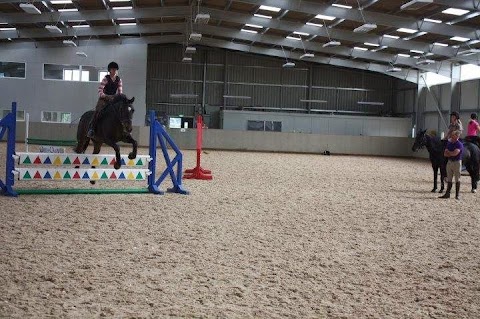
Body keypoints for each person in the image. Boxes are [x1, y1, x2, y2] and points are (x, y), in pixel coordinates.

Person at [87, 61, 123, 138]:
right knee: (98, 110)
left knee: (121, 111)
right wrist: (106, 96)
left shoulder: (119, 80)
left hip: (113, 99)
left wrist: (119, 98)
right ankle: (92, 129)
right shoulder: (106, 79)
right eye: (113, 69)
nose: (114, 71)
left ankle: (124, 130)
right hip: (104, 99)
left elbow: (120, 92)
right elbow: (100, 90)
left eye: (115, 69)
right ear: (109, 70)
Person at [439, 130, 463, 200]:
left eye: (453, 135)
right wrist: (450, 153)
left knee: (457, 179)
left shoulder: (459, 144)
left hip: (457, 163)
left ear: (457, 136)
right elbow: (445, 154)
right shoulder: (449, 143)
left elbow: (455, 153)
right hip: (450, 162)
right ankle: (447, 193)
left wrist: (449, 152)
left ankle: (457, 195)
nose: (451, 136)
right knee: (449, 178)